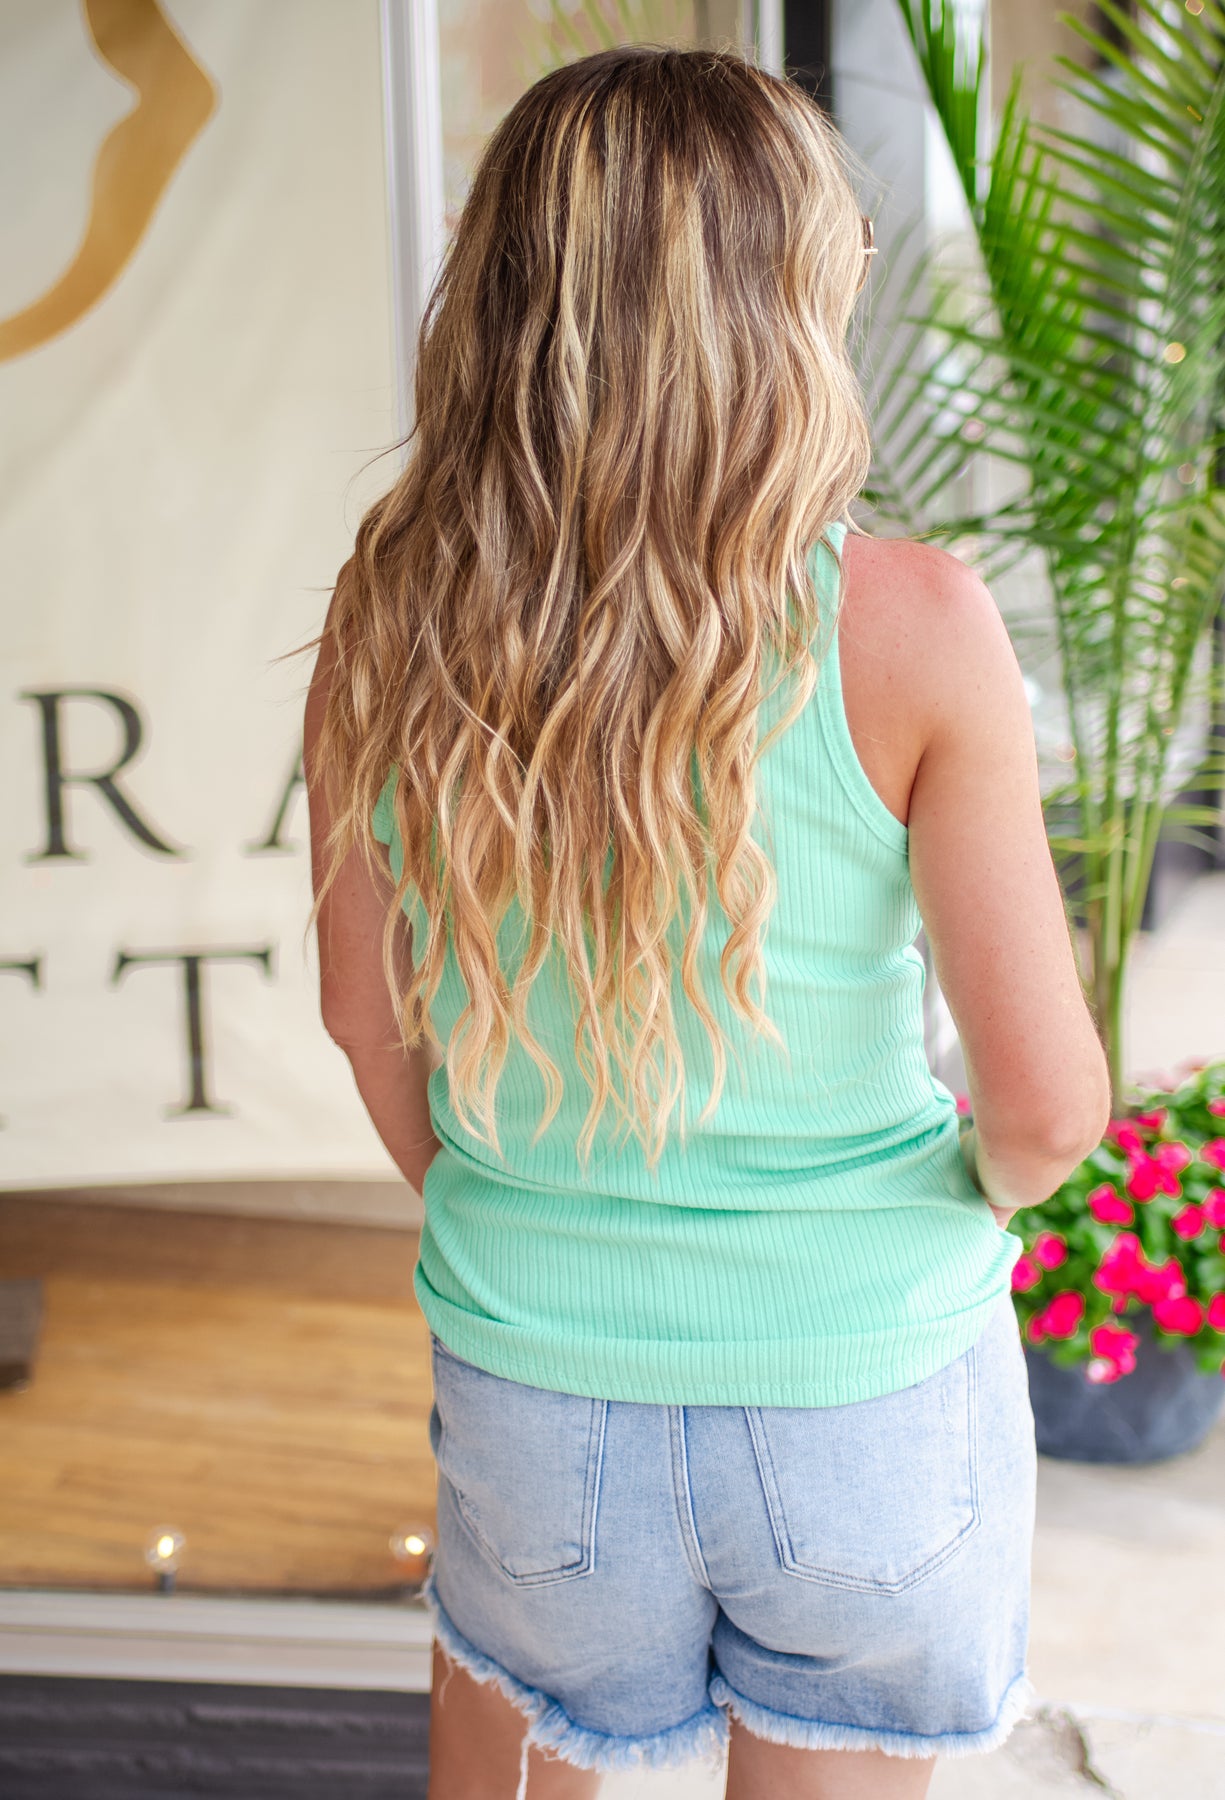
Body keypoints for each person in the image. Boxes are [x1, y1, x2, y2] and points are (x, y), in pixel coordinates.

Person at [303, 44, 1111, 1800]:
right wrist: (908, 1230)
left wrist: (518, 1209)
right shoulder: (913, 624)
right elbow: (1048, 1112)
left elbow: (367, 1018)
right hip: (865, 1388)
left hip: (535, 1376)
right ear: (788, 300)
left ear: (507, 296)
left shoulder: (394, 610)